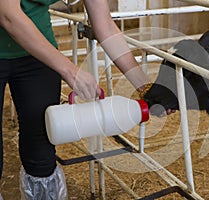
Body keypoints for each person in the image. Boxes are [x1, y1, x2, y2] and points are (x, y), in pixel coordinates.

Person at [0, 0, 160, 199]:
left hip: (37, 50)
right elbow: (7, 14)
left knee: (40, 150)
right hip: (14, 29)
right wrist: (70, 70)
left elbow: (105, 26)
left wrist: (146, 88)